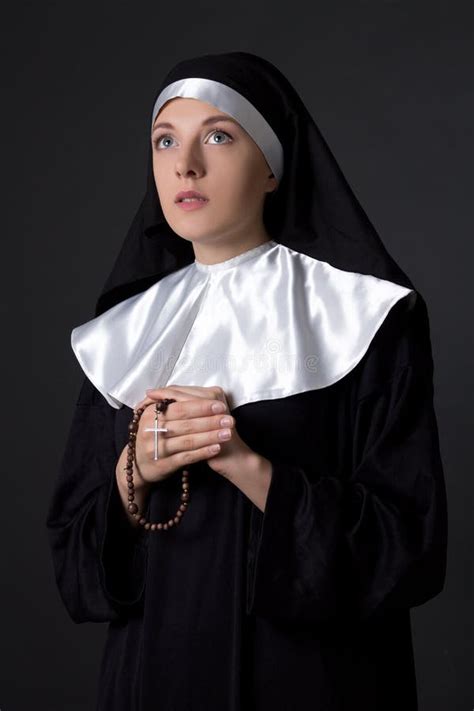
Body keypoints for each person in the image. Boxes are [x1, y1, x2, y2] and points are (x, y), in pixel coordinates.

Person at [45, 51, 448, 711]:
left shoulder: (369, 319)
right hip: (152, 682)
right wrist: (134, 468)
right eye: (166, 140)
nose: (186, 163)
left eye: (219, 136)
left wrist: (248, 466)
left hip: (311, 682)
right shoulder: (123, 336)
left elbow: (410, 548)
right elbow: (75, 567)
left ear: (271, 165)